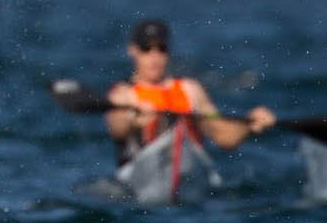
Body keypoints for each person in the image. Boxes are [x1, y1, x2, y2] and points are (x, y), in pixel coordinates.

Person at [105, 18, 276, 163]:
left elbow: (223, 136)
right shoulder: (123, 94)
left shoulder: (190, 90)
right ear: (132, 50)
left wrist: (248, 124)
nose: (154, 57)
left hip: (188, 172)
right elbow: (117, 127)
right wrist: (132, 118)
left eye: (161, 49)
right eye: (146, 49)